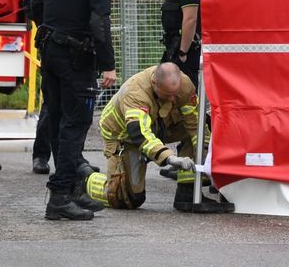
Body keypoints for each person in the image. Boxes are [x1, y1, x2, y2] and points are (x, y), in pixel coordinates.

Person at [28, 0, 161, 220]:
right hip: (76, 56)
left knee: (60, 120)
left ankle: (73, 188)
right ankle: (60, 197)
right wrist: (108, 64)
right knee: (75, 125)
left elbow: (35, 3)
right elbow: (99, 19)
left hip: (50, 48)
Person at [83, 62, 231, 213]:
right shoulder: (135, 92)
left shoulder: (184, 85)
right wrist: (169, 158)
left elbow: (195, 124)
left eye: (176, 94)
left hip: (160, 125)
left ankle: (188, 192)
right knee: (128, 198)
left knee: (198, 131)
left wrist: (206, 153)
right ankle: (85, 180)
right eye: (168, 95)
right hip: (125, 136)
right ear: (154, 83)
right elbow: (140, 133)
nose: (173, 99)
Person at [29, 0, 84, 175]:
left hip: (69, 44)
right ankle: (41, 155)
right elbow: (33, 3)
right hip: (53, 42)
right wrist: (47, 30)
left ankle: (71, 159)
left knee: (69, 108)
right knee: (51, 105)